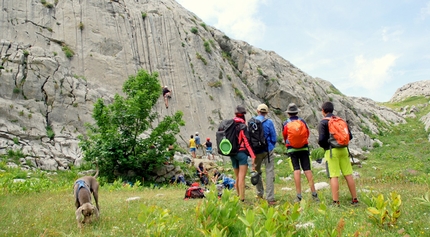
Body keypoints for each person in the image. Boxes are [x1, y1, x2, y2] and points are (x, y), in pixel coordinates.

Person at [318, 101, 358, 206]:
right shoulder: (341, 121)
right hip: (344, 150)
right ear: (332, 109)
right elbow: (350, 136)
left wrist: (325, 146)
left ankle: (336, 202)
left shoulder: (323, 122)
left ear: (323, 110)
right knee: (348, 175)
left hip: (331, 151)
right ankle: (355, 199)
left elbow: (321, 140)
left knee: (334, 176)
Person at [282, 103, 319, 203]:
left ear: (288, 113)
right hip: (304, 148)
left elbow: (285, 136)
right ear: (297, 112)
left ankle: (298, 196)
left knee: (296, 170)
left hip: (292, 149)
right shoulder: (302, 121)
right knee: (307, 170)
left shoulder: (286, 123)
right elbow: (307, 133)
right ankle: (314, 194)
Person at [252, 104, 278, 205]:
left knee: (257, 172)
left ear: (257, 111)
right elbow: (274, 138)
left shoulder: (252, 122)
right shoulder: (269, 122)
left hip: (256, 152)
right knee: (269, 172)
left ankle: (259, 193)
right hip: (268, 150)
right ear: (266, 113)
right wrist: (270, 145)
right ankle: (270, 198)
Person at [230, 105, 256, 202]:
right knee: (242, 177)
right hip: (241, 153)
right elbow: (246, 142)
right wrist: (253, 156)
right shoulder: (242, 126)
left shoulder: (230, 125)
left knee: (237, 177)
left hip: (232, 153)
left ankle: (237, 195)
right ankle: (242, 198)